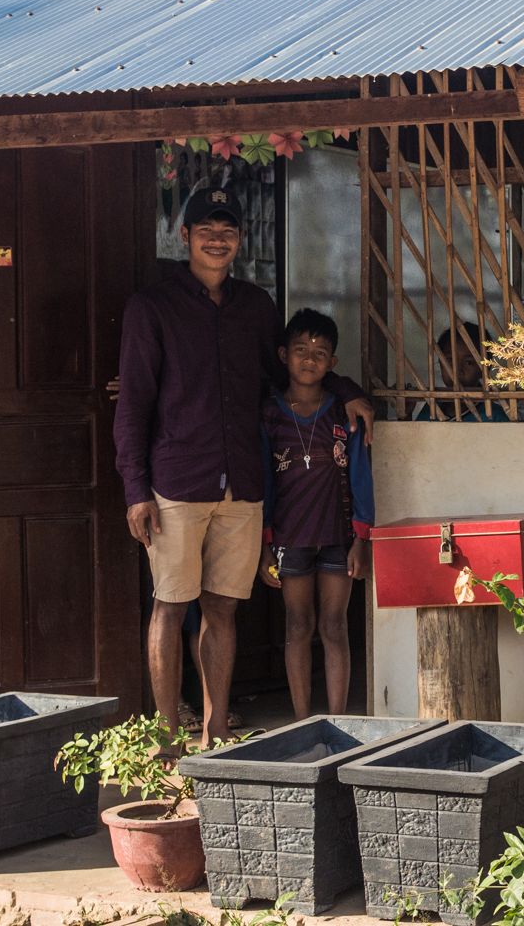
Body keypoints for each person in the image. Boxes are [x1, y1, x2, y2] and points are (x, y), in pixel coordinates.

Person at [114, 184, 374, 748]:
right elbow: (133, 403)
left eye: (227, 230)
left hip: (244, 487)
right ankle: (163, 742)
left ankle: (213, 729)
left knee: (223, 608)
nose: (217, 239)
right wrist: (136, 488)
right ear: (183, 236)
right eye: (206, 229)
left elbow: (290, 374)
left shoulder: (256, 308)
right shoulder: (151, 308)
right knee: (169, 604)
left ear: (238, 241)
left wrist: (346, 388)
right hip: (176, 482)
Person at [257, 309, 373, 720]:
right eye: (301, 350)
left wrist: (363, 537)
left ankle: (339, 719)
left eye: (320, 353)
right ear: (284, 354)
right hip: (290, 538)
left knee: (335, 626)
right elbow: (265, 483)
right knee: (297, 626)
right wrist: (266, 544)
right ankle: (303, 719)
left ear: (333, 364)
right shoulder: (269, 413)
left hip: (339, 537)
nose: (309, 360)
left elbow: (360, 473)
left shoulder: (345, 412)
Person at [413, 322, 511, 422]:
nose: (457, 370)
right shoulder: (432, 409)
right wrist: (406, 416)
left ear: (485, 367)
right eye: (449, 360)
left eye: (469, 362)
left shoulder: (493, 416)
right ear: (440, 362)